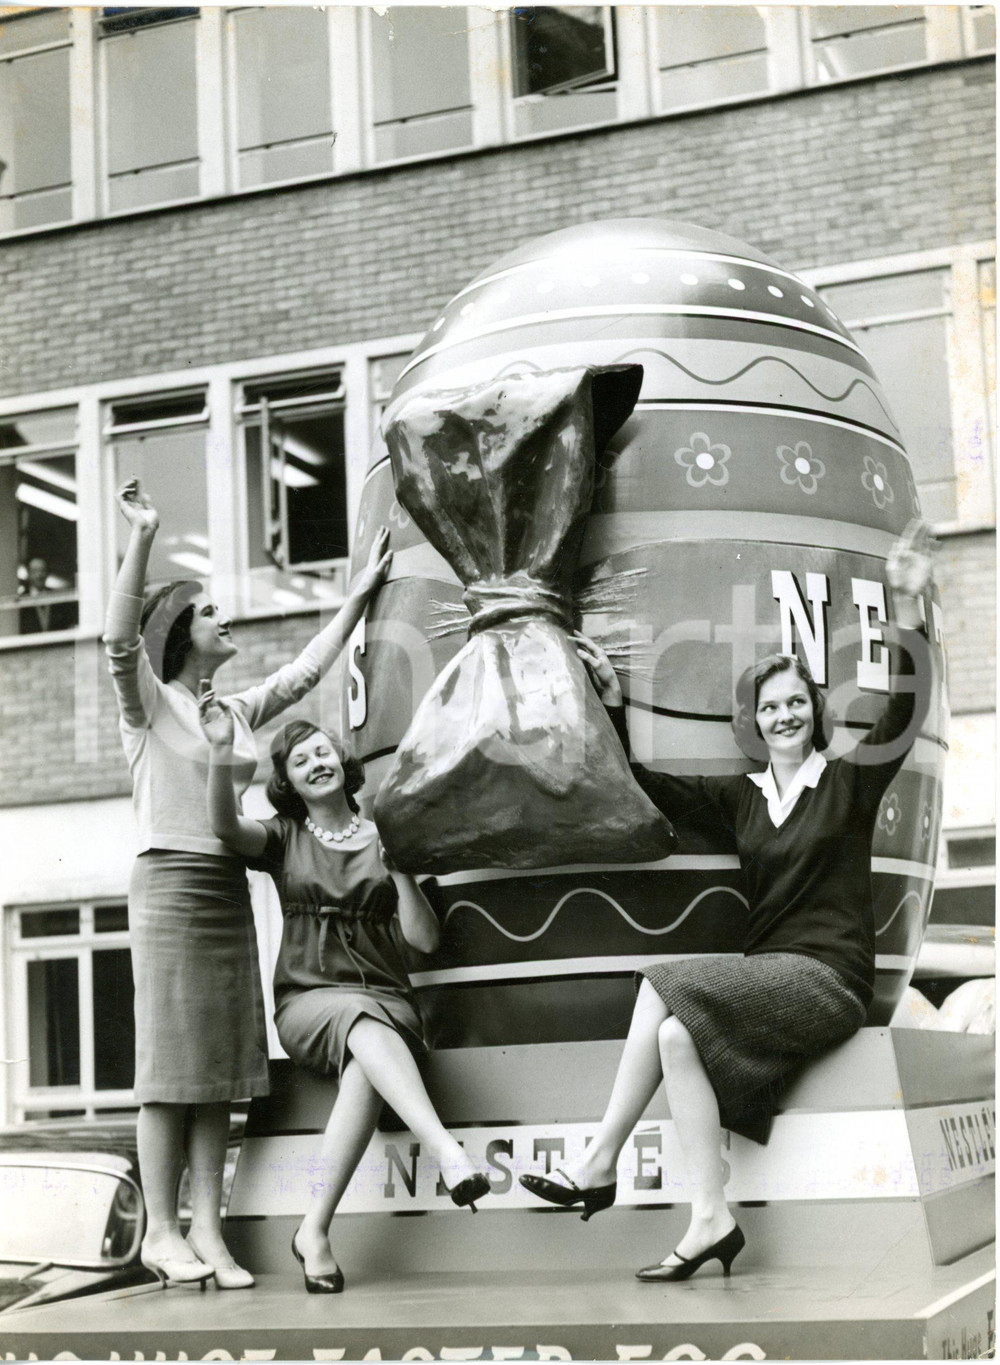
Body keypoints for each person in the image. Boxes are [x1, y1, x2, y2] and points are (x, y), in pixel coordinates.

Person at [519, 520, 936, 1282]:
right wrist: (613, 703)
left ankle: (598, 1159)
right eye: (768, 707)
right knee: (675, 1040)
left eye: (794, 703)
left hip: (831, 979)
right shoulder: (742, 799)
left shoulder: (846, 781)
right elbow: (649, 786)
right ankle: (711, 1218)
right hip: (770, 978)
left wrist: (908, 610)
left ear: (815, 710)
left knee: (659, 983)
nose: (782, 716)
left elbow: (901, 717)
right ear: (754, 720)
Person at [105, 477, 392, 1291]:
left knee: (221, 1066)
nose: (223, 620)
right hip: (169, 883)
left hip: (226, 885)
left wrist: (359, 596)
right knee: (171, 1067)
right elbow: (117, 640)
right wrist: (144, 534)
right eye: (208, 613)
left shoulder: (227, 709)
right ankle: (161, 1230)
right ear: (177, 632)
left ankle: (208, 1228)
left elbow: (303, 674)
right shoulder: (150, 704)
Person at [199, 708, 491, 1293]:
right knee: (359, 1024)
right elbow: (226, 828)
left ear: (342, 760)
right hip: (308, 998)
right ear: (288, 781)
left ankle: (314, 1231)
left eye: (322, 752)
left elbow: (425, 941)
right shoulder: (285, 838)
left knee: (366, 1067)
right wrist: (219, 751)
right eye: (299, 760)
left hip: (388, 998)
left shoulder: (391, 833)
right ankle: (446, 1151)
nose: (315, 763)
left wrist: (402, 873)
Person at [19, 556, 77, 633]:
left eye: (42, 570)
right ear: (28, 574)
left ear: (47, 573)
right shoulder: (21, 600)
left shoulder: (56, 597)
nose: (39, 575)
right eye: (35, 571)